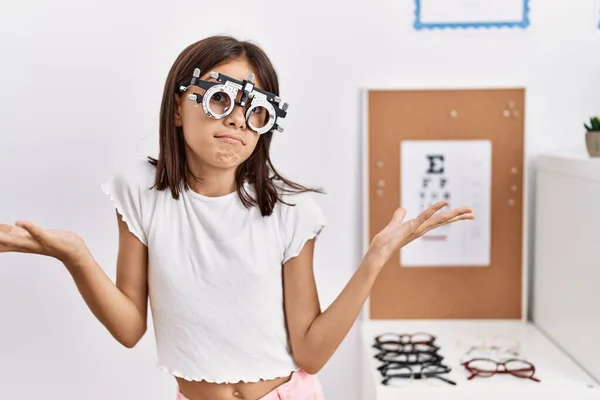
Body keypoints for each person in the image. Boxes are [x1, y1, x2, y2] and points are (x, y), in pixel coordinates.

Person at [0, 35, 474, 400]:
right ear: (180, 108)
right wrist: (75, 255)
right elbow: (129, 328)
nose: (236, 121)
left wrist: (376, 256)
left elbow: (311, 352)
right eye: (220, 100)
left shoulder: (289, 210)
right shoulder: (140, 192)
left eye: (256, 111)